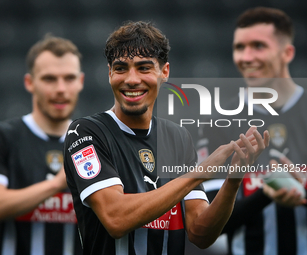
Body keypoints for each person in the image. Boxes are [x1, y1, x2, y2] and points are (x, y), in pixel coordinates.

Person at [63, 21, 269, 255]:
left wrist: (232, 181)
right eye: (121, 68)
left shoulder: (178, 137)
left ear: (165, 72)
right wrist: (200, 172)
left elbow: (200, 233)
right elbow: (116, 219)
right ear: (110, 73)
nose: (131, 79)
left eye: (143, 68)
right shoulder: (86, 132)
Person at [197, 7, 307, 255]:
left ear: (287, 53)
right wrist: (265, 195)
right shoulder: (220, 121)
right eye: (239, 48)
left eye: (258, 46)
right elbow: (207, 226)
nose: (246, 57)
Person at [0, 35, 84, 255]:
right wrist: (56, 184)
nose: (61, 88)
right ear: (29, 83)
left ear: (81, 81)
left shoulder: (94, 143)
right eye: (50, 79)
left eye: (69, 78)